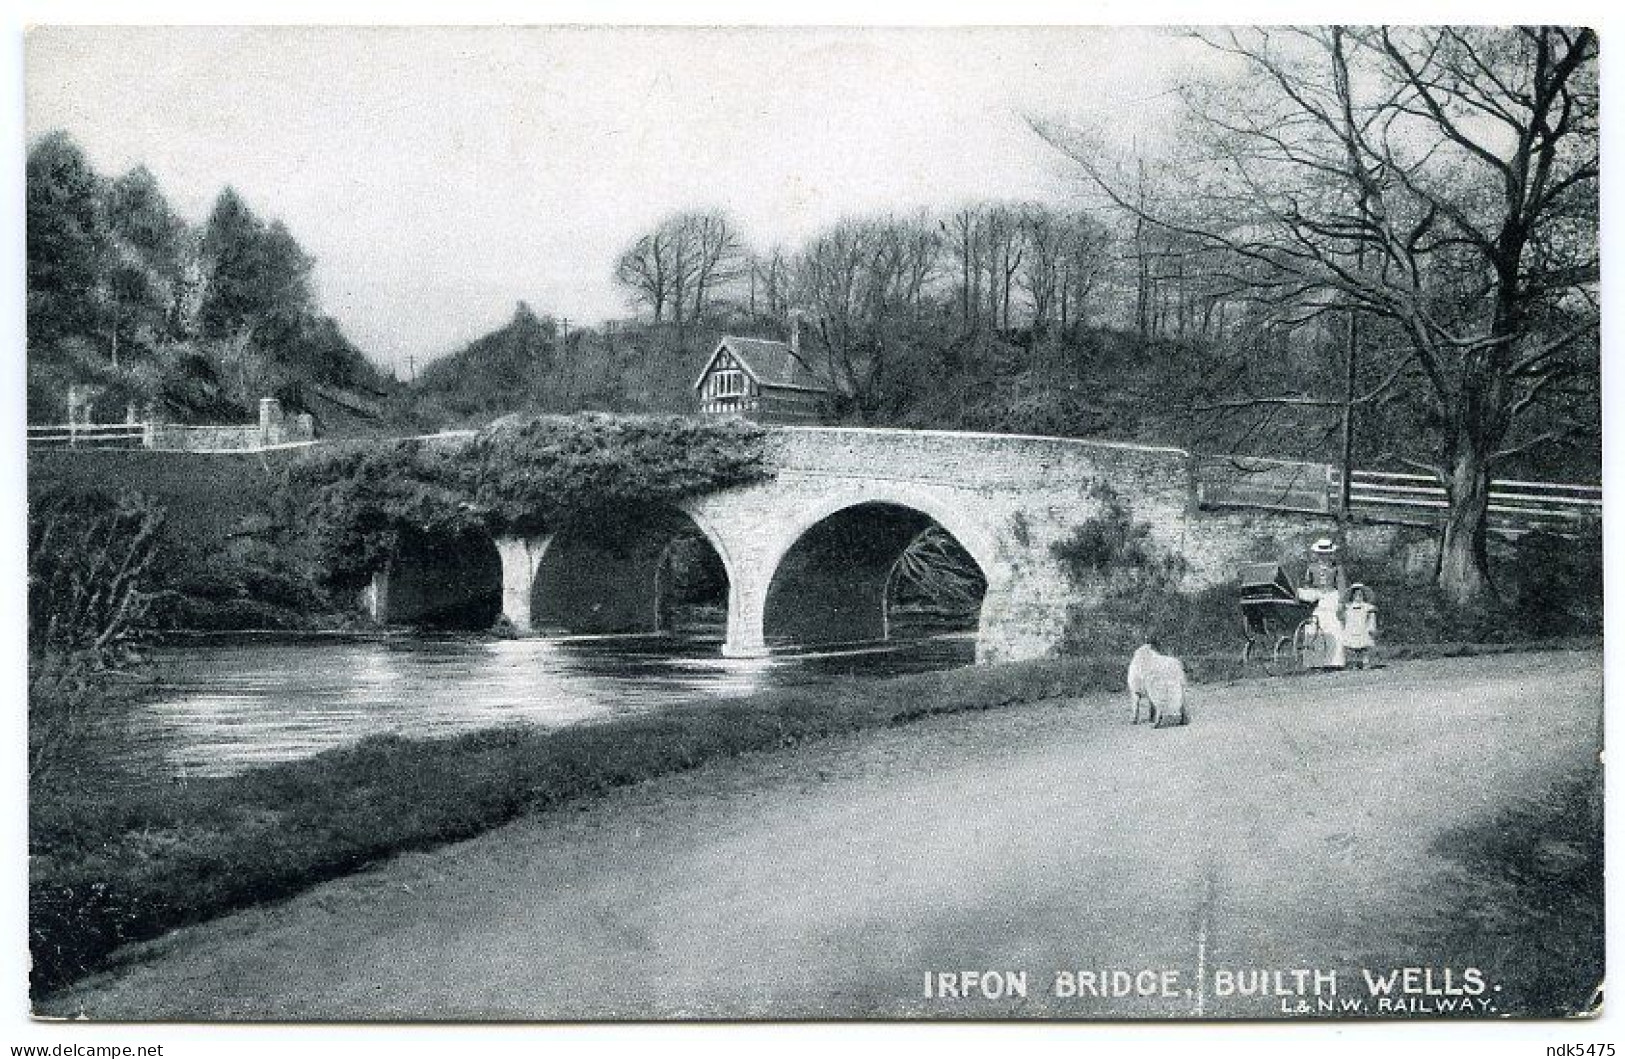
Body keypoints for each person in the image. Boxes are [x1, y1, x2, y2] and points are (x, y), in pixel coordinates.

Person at [1343, 584, 1379, 669]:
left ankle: (1365, 662)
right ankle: (1354, 663)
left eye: (1360, 595)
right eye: (1356, 595)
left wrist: (1371, 627)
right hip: (1351, 627)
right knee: (1353, 647)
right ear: (1352, 596)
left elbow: (1371, 618)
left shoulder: (1367, 607)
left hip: (1363, 627)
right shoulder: (1348, 606)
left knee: (1364, 646)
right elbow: (1344, 617)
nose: (1358, 597)